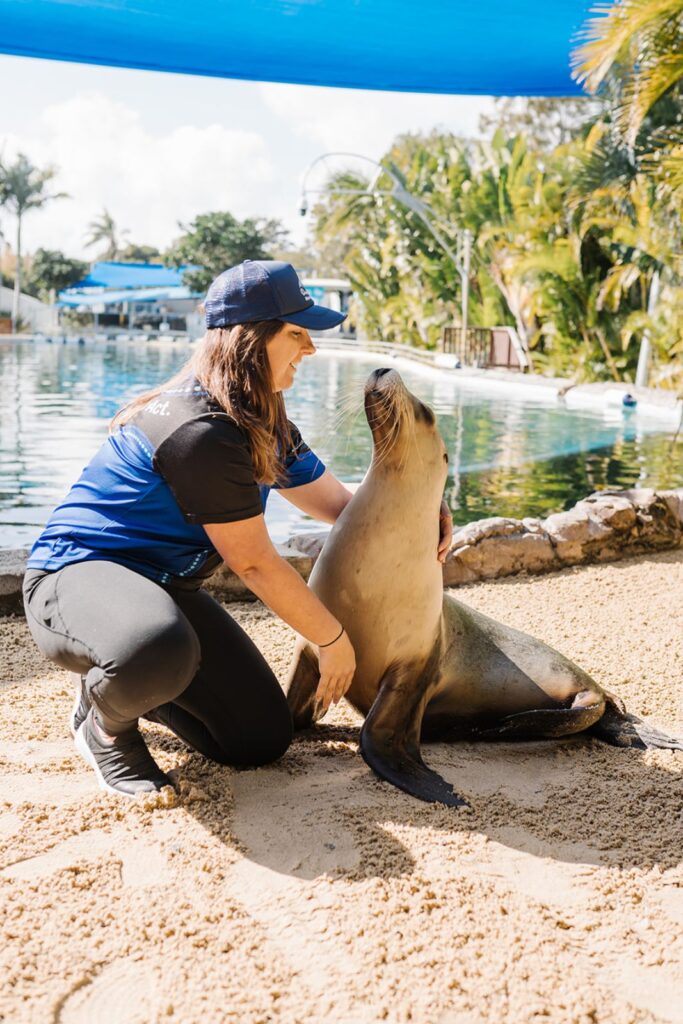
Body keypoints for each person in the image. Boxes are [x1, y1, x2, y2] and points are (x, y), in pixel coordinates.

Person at [23, 260, 453, 798]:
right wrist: (333, 640)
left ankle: (141, 680)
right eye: (297, 334)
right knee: (156, 648)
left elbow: (341, 506)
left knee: (257, 738)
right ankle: (104, 725)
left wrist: (424, 510)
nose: (311, 349)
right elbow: (255, 564)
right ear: (251, 340)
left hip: (161, 592)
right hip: (74, 578)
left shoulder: (263, 419)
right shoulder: (201, 431)